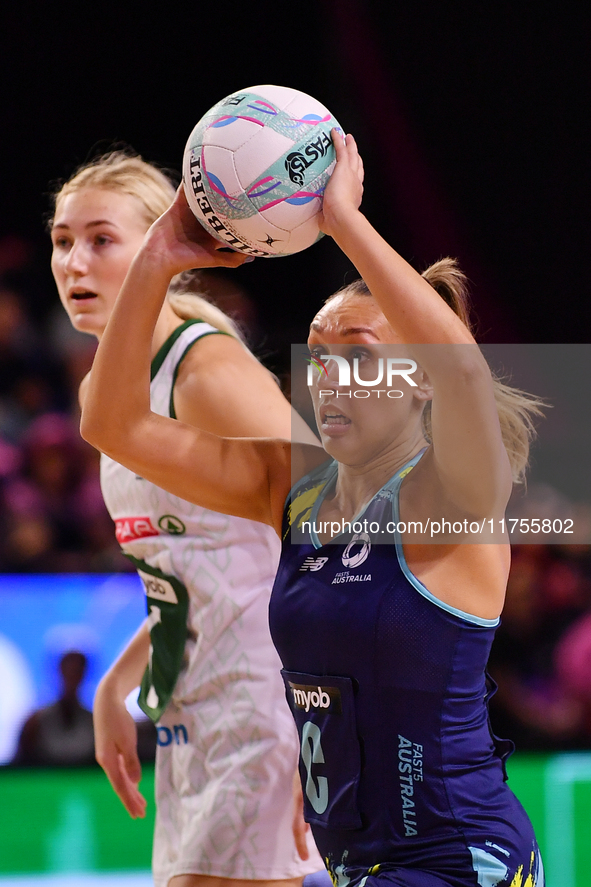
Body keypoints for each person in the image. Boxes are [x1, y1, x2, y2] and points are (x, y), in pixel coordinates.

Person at [80, 133, 545, 887]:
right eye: (318, 354)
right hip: (354, 862)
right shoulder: (294, 487)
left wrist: (341, 221)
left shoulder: (450, 495)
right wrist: (159, 256)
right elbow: (112, 424)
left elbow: (461, 368)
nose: (330, 376)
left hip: (459, 858)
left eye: (358, 354)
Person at [49, 151, 325, 887]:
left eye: (101, 239)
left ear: (158, 250)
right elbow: (201, 566)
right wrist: (117, 680)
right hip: (192, 711)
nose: (74, 260)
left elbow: (335, 535)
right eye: (61, 239)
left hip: (263, 709)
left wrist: (324, 727)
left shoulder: (205, 371)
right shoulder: (117, 381)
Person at [13, 650, 95, 766]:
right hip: (42, 781)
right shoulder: (34, 724)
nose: (72, 677)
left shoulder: (95, 724)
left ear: (84, 674)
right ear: (60, 672)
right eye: (68, 670)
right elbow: (18, 767)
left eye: (77, 671)